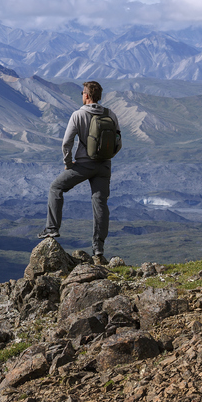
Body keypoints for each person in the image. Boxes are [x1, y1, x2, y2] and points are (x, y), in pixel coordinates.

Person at [41, 80, 119, 266]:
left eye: (82, 93)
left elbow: (66, 143)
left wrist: (69, 163)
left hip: (83, 165)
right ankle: (98, 251)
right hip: (104, 166)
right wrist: (107, 158)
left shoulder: (78, 115)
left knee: (56, 187)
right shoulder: (110, 114)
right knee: (100, 205)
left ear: (86, 95)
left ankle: (52, 229)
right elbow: (118, 142)